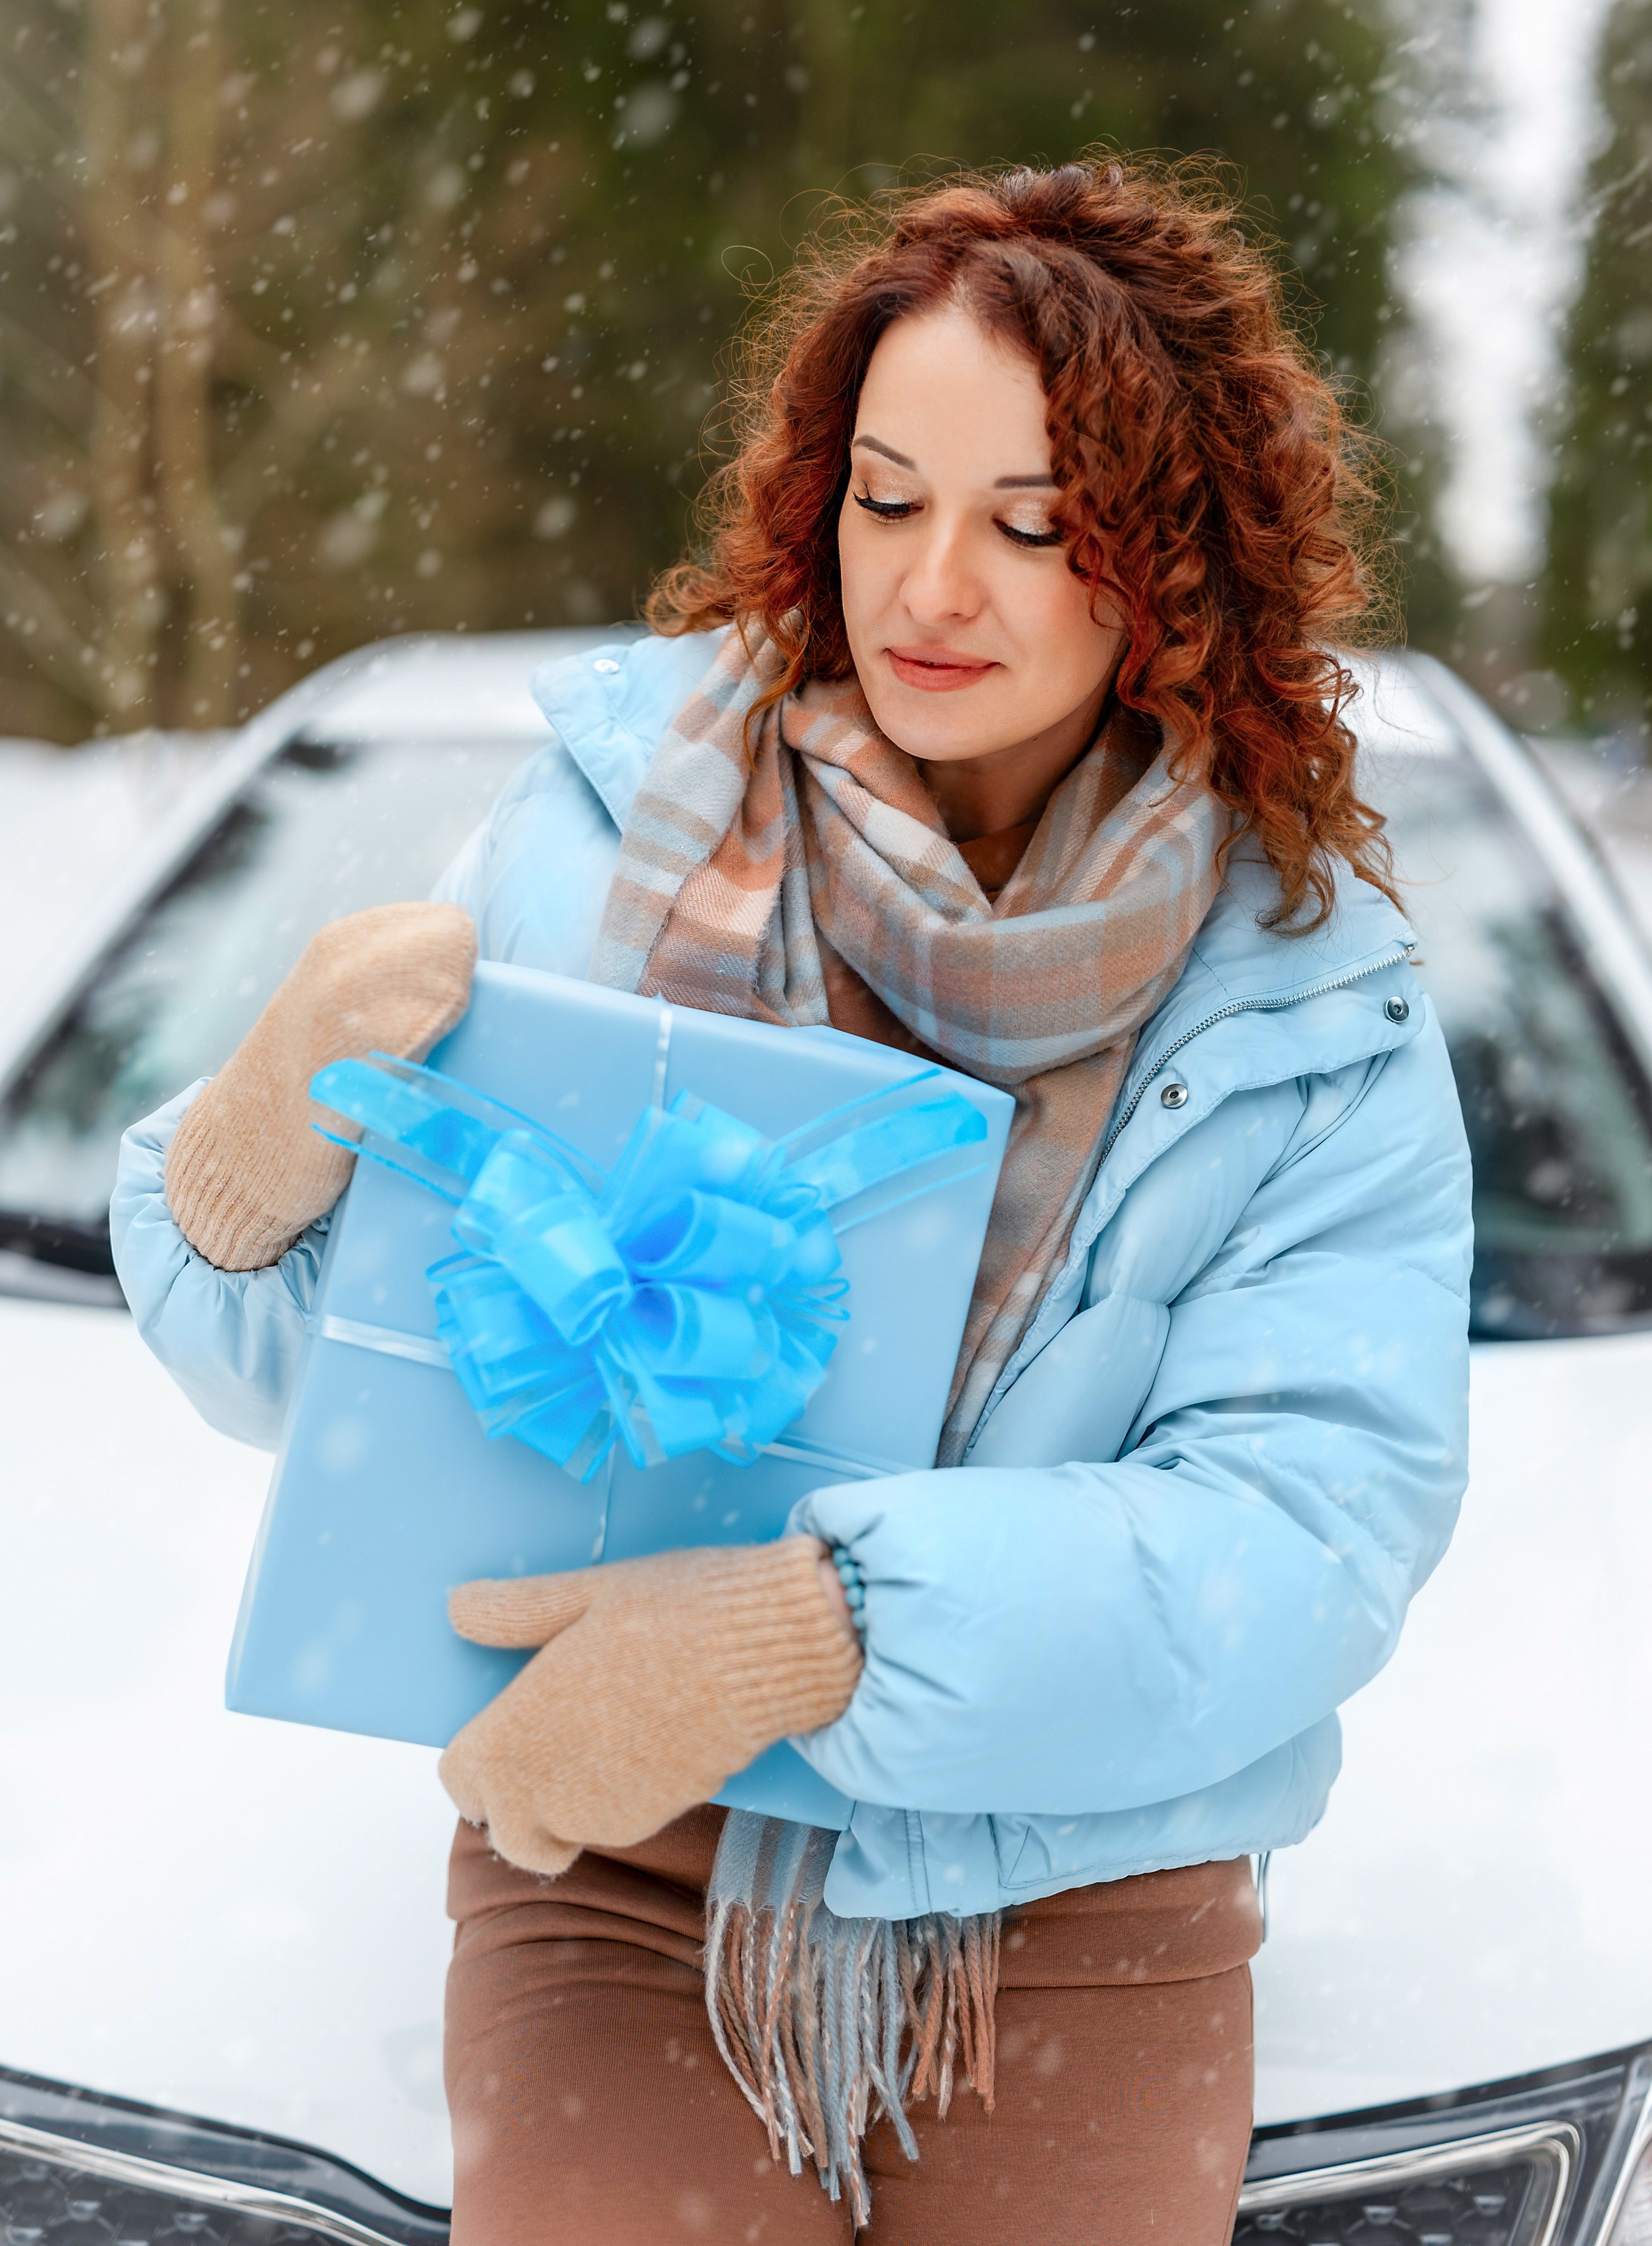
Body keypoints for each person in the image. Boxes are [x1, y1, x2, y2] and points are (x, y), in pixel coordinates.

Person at [112, 157, 1473, 2245]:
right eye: (887, 497)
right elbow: (401, 1381)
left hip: (1083, 1887)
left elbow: (1311, 1528)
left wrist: (823, 1635)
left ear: (1177, 559)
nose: (934, 586)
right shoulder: (605, 834)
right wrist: (244, 1179)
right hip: (618, 1852)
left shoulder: (1306, 1000)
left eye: (1033, 524)